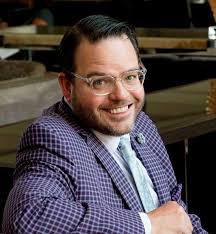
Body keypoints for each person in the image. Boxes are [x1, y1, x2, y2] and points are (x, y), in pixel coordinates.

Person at [2, 14, 207, 233]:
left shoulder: (142, 125)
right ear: (67, 86)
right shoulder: (52, 137)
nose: (121, 95)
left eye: (130, 77)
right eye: (100, 81)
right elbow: (27, 218)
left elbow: (176, 215)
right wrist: (148, 224)